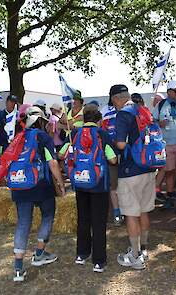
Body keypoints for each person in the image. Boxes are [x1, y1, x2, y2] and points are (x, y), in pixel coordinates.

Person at [59, 104, 117, 273]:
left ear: (84, 119)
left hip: (80, 182)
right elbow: (113, 160)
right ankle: (99, 261)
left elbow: (61, 154)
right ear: (98, 121)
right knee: (98, 222)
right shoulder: (102, 134)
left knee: (83, 219)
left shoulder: (75, 134)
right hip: (99, 184)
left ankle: (82, 254)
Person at [10, 106, 65, 282]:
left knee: (23, 223)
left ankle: (18, 268)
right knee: (47, 216)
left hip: (20, 184)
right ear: (41, 121)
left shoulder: (17, 136)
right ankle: (39, 254)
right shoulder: (43, 137)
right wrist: (61, 184)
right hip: (41, 186)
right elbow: (52, 163)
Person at [111, 84, 155, 270]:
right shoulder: (143, 110)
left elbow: (121, 144)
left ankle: (135, 257)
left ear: (116, 99)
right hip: (149, 166)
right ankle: (143, 249)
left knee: (130, 213)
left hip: (130, 170)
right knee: (144, 210)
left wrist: (111, 142)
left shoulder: (123, 114)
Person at [153, 80, 176, 211]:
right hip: (166, 144)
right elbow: (153, 121)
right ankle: (169, 198)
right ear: (169, 92)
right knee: (169, 172)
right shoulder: (161, 104)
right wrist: (159, 124)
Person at [101, 94, 122, 226]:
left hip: (128, 155)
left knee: (126, 185)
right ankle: (117, 213)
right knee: (113, 186)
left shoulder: (129, 111)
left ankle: (127, 212)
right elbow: (103, 134)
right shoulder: (105, 113)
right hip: (112, 155)